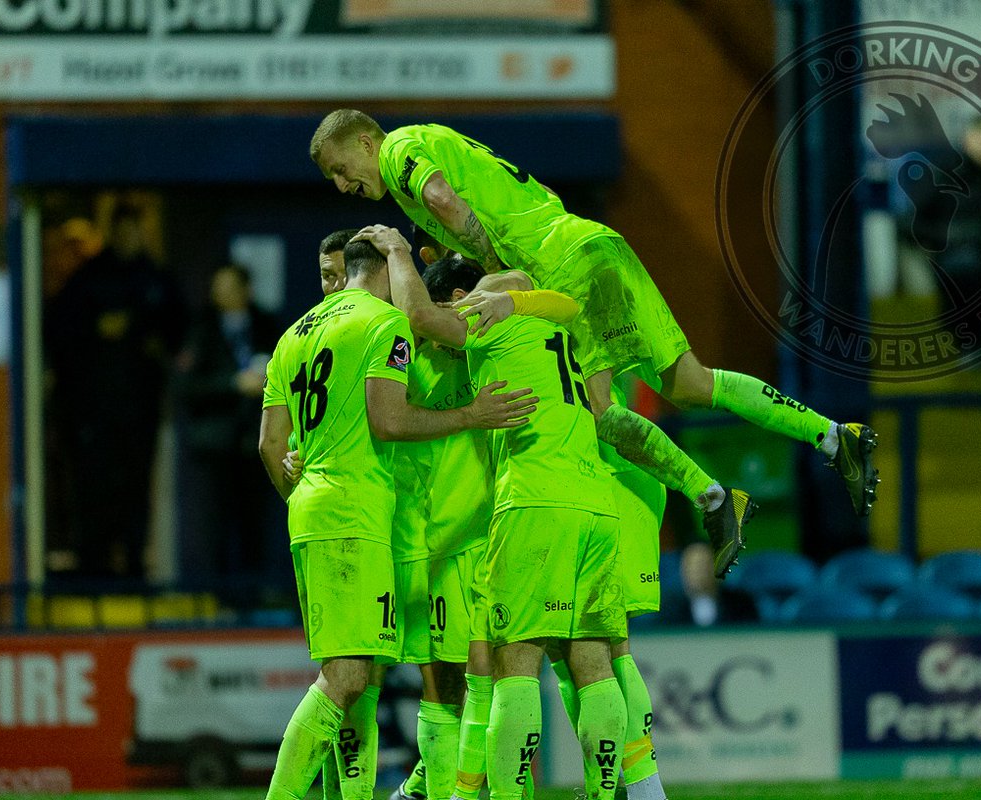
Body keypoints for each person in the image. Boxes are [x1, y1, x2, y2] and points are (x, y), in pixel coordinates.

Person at [309, 110, 877, 578]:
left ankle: (714, 500)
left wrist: (494, 264)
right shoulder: (438, 146)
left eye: (341, 169)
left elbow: (442, 201)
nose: (342, 186)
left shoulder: (399, 149)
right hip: (594, 242)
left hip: (560, 263)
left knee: (600, 409)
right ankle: (834, 436)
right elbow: (447, 221)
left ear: (364, 141)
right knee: (691, 384)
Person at [258, 237, 537, 800]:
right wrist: (471, 415)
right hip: (359, 514)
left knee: (361, 677)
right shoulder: (384, 325)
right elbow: (388, 419)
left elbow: (270, 444)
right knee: (349, 678)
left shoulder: (295, 332)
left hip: (313, 510)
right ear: (389, 269)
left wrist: (301, 490)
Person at [362, 222, 629, 800]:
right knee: (593, 663)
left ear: (462, 300)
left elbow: (417, 318)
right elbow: (554, 296)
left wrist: (399, 252)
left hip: (536, 501)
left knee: (516, 666)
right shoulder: (553, 325)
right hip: (598, 505)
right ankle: (607, 794)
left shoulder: (485, 318)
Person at [45, 202, 185, 580]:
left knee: (136, 488)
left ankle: (135, 565)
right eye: (120, 231)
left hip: (141, 407)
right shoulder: (89, 278)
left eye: (132, 230)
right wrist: (95, 332)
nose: (127, 238)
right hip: (93, 409)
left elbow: (178, 335)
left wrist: (153, 343)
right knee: (94, 488)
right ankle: (95, 566)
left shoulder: (155, 279)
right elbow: (57, 333)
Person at [175, 263, 282, 596]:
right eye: (218, 288)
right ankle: (219, 600)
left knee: (255, 524)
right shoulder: (200, 328)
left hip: (256, 441)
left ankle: (254, 594)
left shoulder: (267, 325)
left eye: (231, 287)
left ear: (246, 290)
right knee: (214, 527)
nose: (223, 294)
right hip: (214, 445)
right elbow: (187, 386)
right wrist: (234, 384)